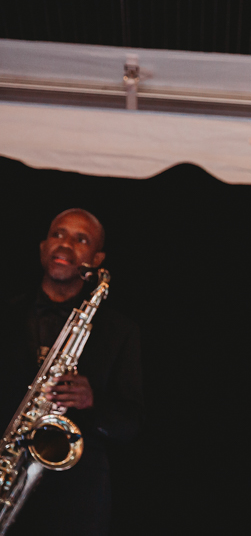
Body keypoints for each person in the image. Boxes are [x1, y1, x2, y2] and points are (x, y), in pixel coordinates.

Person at [0, 209, 143, 536]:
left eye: (81, 239)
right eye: (58, 234)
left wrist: (92, 401)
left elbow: (130, 425)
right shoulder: (5, 316)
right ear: (42, 247)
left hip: (76, 502)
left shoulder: (120, 330)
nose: (65, 245)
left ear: (97, 257)